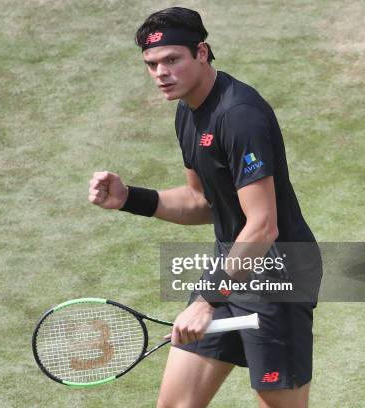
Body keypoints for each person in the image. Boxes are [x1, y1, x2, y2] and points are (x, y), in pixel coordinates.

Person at [88, 6, 321, 408]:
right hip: (232, 267)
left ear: (202, 52)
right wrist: (131, 199)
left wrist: (207, 301)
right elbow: (201, 201)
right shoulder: (188, 113)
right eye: (152, 64)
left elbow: (263, 226)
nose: (161, 73)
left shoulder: (239, 116)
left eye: (172, 60)